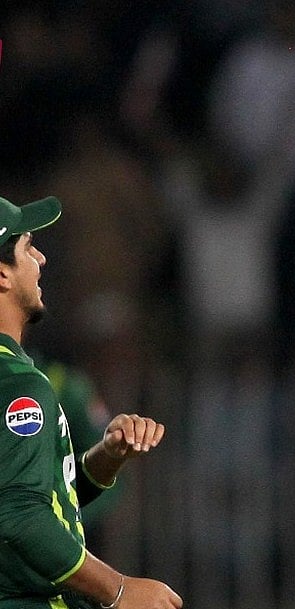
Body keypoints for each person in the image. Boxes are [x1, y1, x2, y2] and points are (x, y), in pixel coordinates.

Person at [0, 195, 182, 609]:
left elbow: (26, 494)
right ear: (2, 276)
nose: (41, 259)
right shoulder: (16, 384)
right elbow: (19, 516)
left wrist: (104, 457)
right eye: (28, 247)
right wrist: (118, 588)